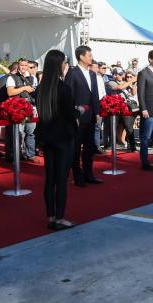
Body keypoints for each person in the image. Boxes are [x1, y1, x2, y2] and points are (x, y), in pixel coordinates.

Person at [34, 49, 77, 230]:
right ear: (59, 65)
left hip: (47, 138)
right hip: (63, 138)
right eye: (64, 63)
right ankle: (60, 218)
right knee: (62, 180)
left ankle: (51, 217)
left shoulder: (40, 89)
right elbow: (69, 115)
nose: (66, 66)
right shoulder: (63, 88)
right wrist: (79, 111)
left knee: (50, 180)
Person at [64, 45, 103, 186]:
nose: (91, 58)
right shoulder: (72, 73)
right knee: (76, 150)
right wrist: (73, 116)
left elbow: (95, 95)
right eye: (89, 55)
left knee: (88, 149)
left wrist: (97, 112)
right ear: (81, 57)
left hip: (91, 116)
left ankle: (89, 175)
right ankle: (78, 177)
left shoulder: (93, 74)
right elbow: (69, 96)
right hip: (78, 117)